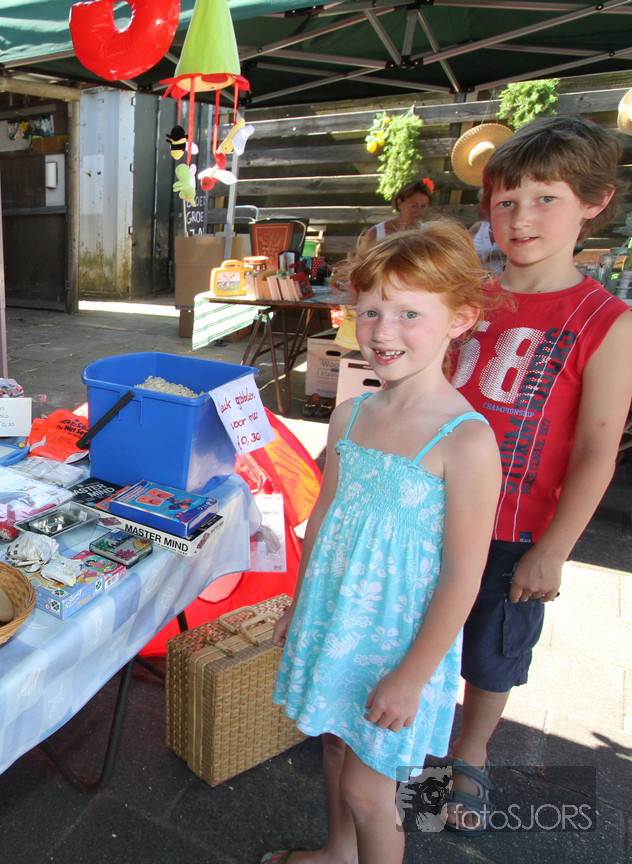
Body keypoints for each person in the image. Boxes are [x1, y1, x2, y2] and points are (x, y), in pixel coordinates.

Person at [265, 221, 501, 864]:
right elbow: (323, 519)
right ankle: (337, 853)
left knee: (370, 792)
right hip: (336, 622)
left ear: (461, 319)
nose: (382, 331)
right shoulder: (351, 414)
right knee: (332, 745)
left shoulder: (466, 441)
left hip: (398, 648)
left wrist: (411, 676)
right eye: (370, 311)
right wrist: (298, 605)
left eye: (408, 314)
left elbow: (463, 575)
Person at [443, 115, 632, 834]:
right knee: (409, 627)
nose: (521, 218)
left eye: (546, 199)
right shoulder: (466, 295)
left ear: (594, 202)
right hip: (427, 507)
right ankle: (401, 730)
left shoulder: (607, 321)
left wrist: (554, 548)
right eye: (506, 201)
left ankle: (470, 754)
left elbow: (596, 449)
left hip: (513, 528)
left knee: (492, 649)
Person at [356, 178, 433, 253]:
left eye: (423, 206)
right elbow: (360, 260)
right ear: (399, 203)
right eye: (414, 206)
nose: (419, 211)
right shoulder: (376, 233)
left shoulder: (428, 234)